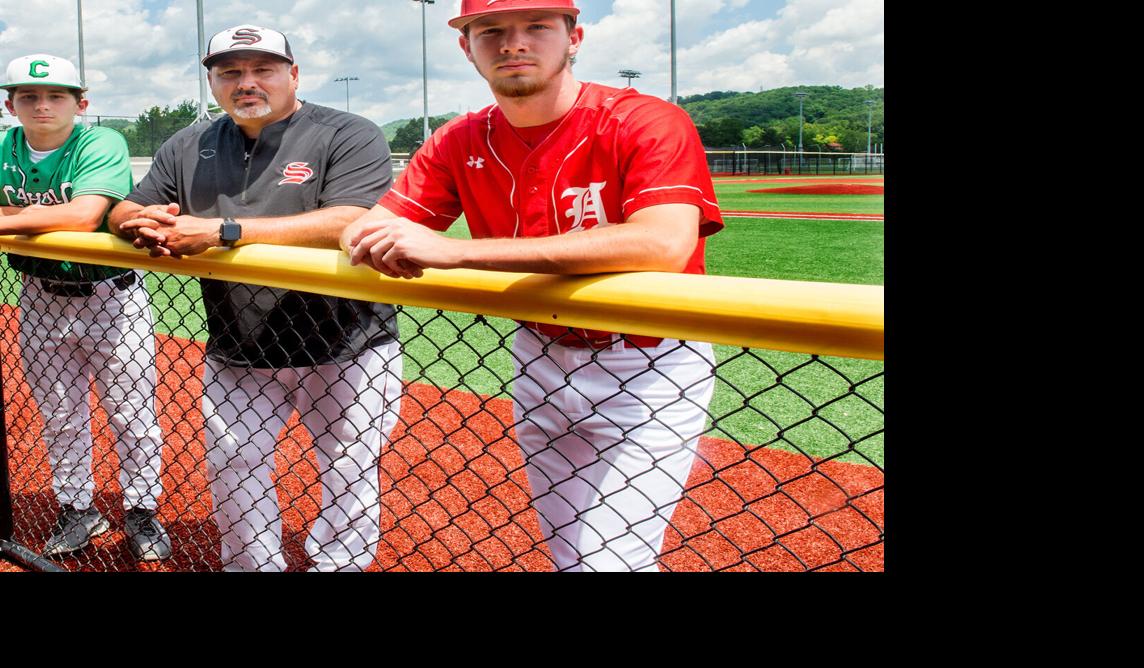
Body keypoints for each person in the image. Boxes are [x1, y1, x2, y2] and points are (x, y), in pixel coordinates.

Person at [342, 0, 723, 571]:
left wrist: (457, 254)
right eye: (490, 30)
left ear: (575, 38)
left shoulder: (645, 119)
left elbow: (663, 243)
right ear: (466, 46)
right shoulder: (458, 139)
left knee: (608, 559)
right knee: (570, 553)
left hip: (650, 363)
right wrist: (373, 236)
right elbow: (368, 228)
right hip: (537, 357)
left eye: (537, 27)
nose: (513, 43)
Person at [107, 25, 401, 572]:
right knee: (232, 463)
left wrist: (226, 231)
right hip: (238, 339)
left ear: (293, 74)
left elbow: (352, 217)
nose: (246, 82)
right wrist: (135, 222)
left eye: (262, 68)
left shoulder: (348, 132)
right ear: (214, 82)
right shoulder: (189, 143)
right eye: (230, 72)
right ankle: (252, 564)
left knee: (349, 467)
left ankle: (341, 564)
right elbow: (127, 206)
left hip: (347, 338)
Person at [0, 54, 170, 560]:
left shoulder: (99, 141)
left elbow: (84, 216)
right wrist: (34, 218)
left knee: (132, 414)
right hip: (38, 296)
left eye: (57, 95)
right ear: (10, 104)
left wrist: (12, 216)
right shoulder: (4, 146)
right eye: (28, 96)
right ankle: (78, 508)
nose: (42, 105)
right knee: (60, 415)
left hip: (110, 298)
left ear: (81, 103)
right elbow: (65, 216)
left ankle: (141, 509)